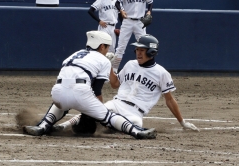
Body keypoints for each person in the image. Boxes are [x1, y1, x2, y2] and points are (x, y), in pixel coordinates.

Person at [23, 30, 156, 139]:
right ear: (102, 46)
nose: (107, 50)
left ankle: (42, 126)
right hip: (80, 91)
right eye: (107, 47)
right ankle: (137, 131)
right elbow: (96, 89)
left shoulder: (75, 54)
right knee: (108, 117)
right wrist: (98, 112)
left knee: (62, 101)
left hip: (57, 91)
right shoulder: (104, 60)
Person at [54, 34, 200, 133]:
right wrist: (109, 67)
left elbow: (170, 100)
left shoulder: (161, 73)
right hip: (117, 103)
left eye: (142, 50)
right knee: (93, 110)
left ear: (151, 52)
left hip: (135, 112)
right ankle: (63, 126)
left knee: (136, 125)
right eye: (137, 50)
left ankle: (107, 127)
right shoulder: (130, 64)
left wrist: (182, 122)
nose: (138, 53)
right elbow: (115, 84)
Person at [112, 0, 154, 72]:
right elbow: (116, 2)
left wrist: (149, 11)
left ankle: (145, 68)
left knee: (144, 46)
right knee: (121, 48)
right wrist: (121, 10)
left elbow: (150, 2)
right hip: (127, 21)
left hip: (140, 21)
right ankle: (113, 70)